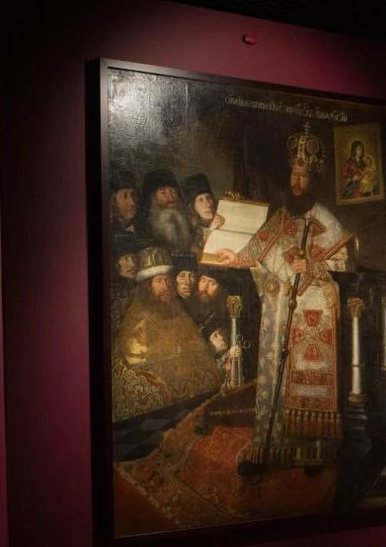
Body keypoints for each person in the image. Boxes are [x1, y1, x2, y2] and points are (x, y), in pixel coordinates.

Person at [211, 134, 354, 473]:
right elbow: (256, 250)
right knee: (274, 373)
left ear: (313, 179)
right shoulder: (281, 217)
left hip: (310, 310)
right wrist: (234, 257)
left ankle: (310, 452)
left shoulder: (325, 218)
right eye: (293, 174)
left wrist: (313, 266)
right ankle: (270, 446)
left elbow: (346, 260)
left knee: (305, 379)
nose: (296, 182)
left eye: (303, 175)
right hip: (278, 313)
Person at [110, 246, 224, 422]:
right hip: (152, 412)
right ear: (147, 286)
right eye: (159, 281)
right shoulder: (138, 319)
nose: (166, 286)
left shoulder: (179, 314)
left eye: (167, 280)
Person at [144, 168, 196, 254]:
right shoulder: (146, 225)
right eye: (163, 193)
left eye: (173, 192)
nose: (170, 197)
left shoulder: (189, 220)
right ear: (153, 197)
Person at [182, 173, 218, 255]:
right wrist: (211, 231)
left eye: (209, 198)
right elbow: (199, 256)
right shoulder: (188, 231)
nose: (208, 204)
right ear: (192, 207)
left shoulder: (221, 220)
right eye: (200, 200)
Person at [108, 168, 141, 254]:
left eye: (133, 195)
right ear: (114, 201)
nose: (132, 203)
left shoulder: (142, 228)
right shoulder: (108, 232)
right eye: (124, 196)